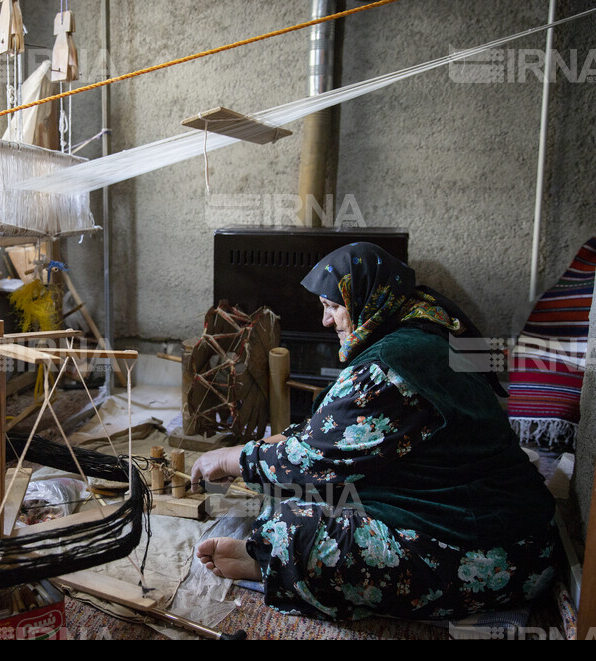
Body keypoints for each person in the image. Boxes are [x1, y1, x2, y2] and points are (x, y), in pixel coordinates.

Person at [191, 242, 558, 621]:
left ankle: (272, 562)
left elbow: (312, 460)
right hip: (516, 532)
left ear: (365, 296)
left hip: (496, 556)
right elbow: (338, 432)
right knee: (289, 481)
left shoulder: (388, 369)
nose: (325, 321)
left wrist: (228, 457)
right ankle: (273, 557)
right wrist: (275, 445)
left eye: (332, 307)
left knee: (290, 522)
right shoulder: (424, 327)